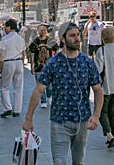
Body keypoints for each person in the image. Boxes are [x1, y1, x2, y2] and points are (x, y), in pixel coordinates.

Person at [22, 22, 104, 165]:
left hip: (82, 120)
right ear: (63, 39)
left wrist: (96, 115)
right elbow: (39, 90)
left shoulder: (87, 63)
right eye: (72, 36)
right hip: (59, 121)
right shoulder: (54, 63)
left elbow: (98, 90)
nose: (77, 39)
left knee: (79, 162)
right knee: (59, 162)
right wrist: (29, 118)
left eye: (78, 35)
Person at [0, 19, 26, 118]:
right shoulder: (21, 39)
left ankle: (7, 108)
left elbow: (2, 56)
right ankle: (17, 110)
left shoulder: (4, 39)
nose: (4, 29)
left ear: (9, 27)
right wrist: (22, 64)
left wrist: (0, 68)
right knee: (18, 87)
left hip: (8, 62)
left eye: (5, 26)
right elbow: (23, 54)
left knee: (4, 87)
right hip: (18, 62)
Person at [95, 27, 114, 149]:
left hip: (106, 86)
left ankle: (109, 134)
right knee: (112, 111)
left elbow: (98, 70)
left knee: (103, 111)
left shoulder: (101, 51)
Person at [29, 25, 51, 108]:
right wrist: (32, 66)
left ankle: (49, 96)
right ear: (38, 31)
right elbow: (31, 54)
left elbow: (56, 51)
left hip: (49, 66)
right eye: (41, 30)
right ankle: (43, 100)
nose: (43, 31)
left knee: (50, 85)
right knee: (40, 84)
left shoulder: (50, 41)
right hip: (38, 66)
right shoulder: (35, 42)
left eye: (44, 30)